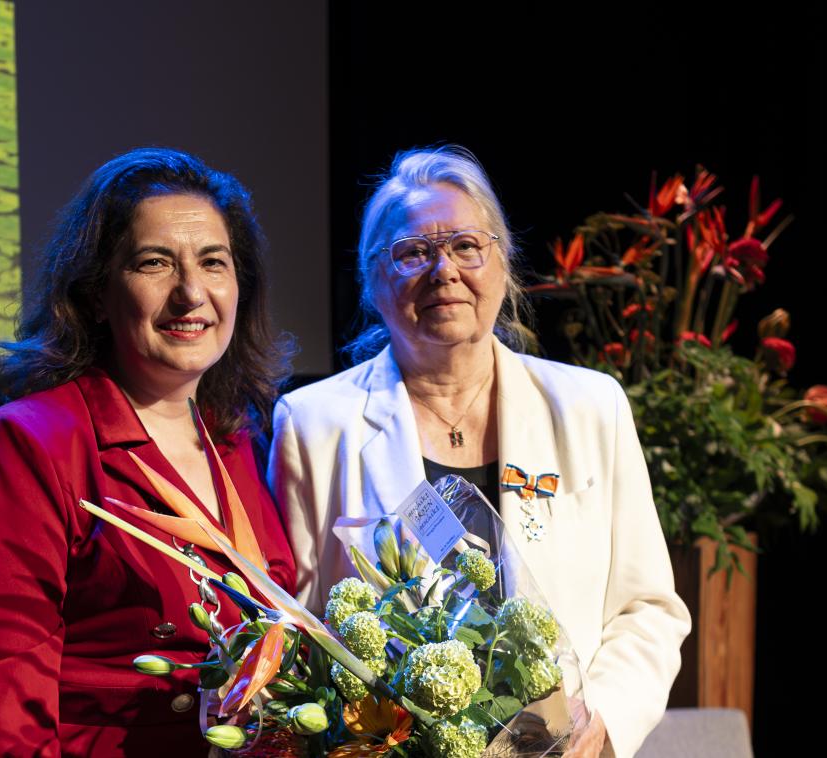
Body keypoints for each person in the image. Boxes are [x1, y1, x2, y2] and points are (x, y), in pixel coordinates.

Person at [268, 146, 691, 758]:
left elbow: (648, 606)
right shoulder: (314, 425)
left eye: (466, 246)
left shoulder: (591, 407)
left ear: (502, 262)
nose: (443, 270)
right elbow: (302, 626)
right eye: (412, 252)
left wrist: (602, 724)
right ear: (371, 278)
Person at [0, 147, 296, 756]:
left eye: (213, 262)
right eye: (154, 263)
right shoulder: (34, 440)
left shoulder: (240, 439)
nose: (191, 293)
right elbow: (4, 684)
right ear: (97, 295)